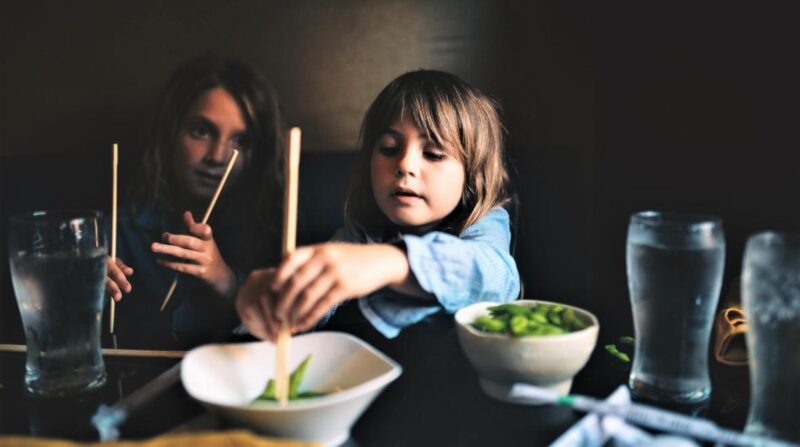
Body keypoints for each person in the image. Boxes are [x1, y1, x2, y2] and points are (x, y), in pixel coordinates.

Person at [235, 69, 520, 343]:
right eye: (389, 149)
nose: (405, 165)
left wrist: (392, 262)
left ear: (472, 173)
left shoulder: (485, 222)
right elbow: (309, 307)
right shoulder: (360, 235)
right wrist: (276, 300)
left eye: (433, 154)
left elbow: (498, 279)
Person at [105, 55, 284, 349]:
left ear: (259, 153)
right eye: (202, 131)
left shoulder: (276, 231)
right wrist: (84, 286)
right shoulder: (116, 229)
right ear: (171, 131)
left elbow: (280, 334)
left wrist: (226, 282)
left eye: (241, 141)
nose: (217, 156)